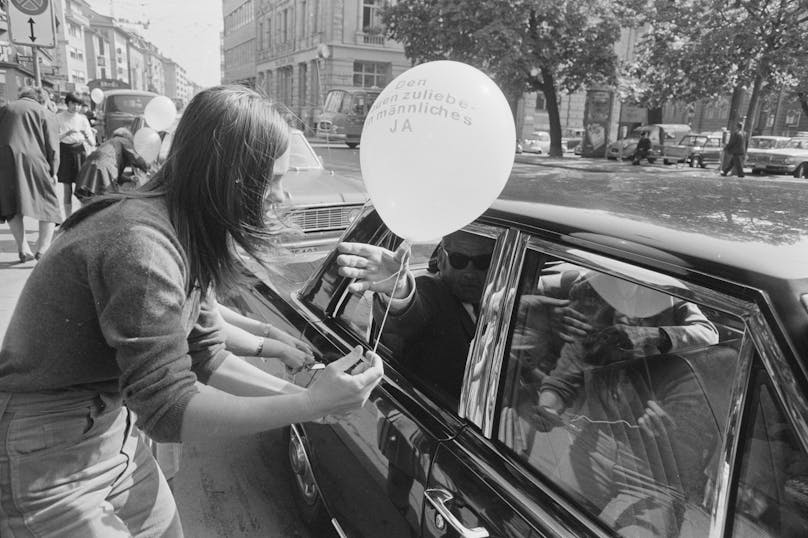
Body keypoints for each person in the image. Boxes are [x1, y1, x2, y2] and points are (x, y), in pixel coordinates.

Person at [0, 85, 383, 536]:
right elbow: (169, 411)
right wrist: (305, 404)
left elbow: (208, 355)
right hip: (46, 451)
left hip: (110, 431)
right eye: (274, 180)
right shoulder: (141, 246)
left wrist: (313, 402)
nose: (284, 198)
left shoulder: (182, 229)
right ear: (229, 177)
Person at [337, 230, 495, 402]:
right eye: (459, 260)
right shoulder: (431, 290)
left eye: (482, 262)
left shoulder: (501, 295)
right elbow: (409, 316)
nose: (470, 272)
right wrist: (398, 289)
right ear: (441, 259)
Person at [534, 271, 719, 417]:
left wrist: (655, 335)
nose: (627, 313)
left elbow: (709, 335)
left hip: (649, 446)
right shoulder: (592, 322)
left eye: (637, 303)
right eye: (615, 300)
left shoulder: (670, 294)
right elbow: (562, 379)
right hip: (594, 438)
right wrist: (547, 410)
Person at [0, 86, 61, 263]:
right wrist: (54, 170)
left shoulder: (5, 109)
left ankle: (23, 247)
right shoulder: (44, 112)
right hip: (34, 160)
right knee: (48, 205)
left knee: (11, 204)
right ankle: (43, 249)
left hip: (4, 159)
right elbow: (52, 147)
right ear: (42, 99)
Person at [74, 127, 149, 202]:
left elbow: (116, 174)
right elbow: (135, 157)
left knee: (89, 200)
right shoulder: (124, 141)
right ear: (127, 136)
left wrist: (129, 178)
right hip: (103, 170)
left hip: (87, 167)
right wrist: (147, 166)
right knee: (109, 200)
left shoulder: (108, 143)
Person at [56, 92, 96, 217]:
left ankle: (81, 218)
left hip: (80, 151)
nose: (76, 107)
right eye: (73, 103)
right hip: (65, 151)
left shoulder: (82, 119)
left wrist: (86, 135)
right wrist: (66, 134)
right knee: (67, 187)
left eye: (79, 104)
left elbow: (92, 142)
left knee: (82, 187)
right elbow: (53, 138)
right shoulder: (59, 117)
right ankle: (68, 218)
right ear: (67, 103)